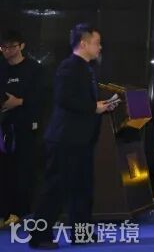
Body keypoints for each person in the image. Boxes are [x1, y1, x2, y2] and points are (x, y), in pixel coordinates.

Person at [29, 24, 119, 250]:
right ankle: (39, 236)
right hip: (65, 139)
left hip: (81, 140)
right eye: (97, 43)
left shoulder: (86, 68)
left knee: (82, 188)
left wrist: (100, 106)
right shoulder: (69, 67)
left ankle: (81, 233)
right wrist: (93, 107)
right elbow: (64, 99)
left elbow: (80, 101)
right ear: (83, 43)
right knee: (55, 188)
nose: (100, 47)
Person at [0, 29, 45, 231]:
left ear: (22, 46)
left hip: (25, 128)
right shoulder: (1, 68)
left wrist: (19, 102)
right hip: (3, 127)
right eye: (4, 47)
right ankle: (4, 212)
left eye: (12, 47)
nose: (7, 51)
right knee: (4, 171)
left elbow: (42, 97)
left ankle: (20, 212)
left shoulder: (34, 69)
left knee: (22, 171)